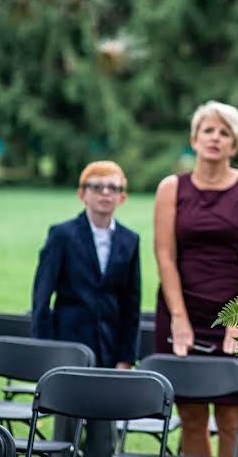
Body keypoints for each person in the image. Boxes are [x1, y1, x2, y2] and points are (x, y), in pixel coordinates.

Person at [153, 100, 238, 457]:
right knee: (190, 415)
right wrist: (178, 318)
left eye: (225, 133)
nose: (215, 138)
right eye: (208, 130)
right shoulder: (170, 188)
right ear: (194, 139)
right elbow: (165, 256)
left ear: (234, 146)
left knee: (231, 416)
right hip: (182, 311)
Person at [32, 160, 141, 457]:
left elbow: (132, 302)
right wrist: (46, 351)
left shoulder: (130, 241)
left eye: (113, 188)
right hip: (67, 346)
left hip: (109, 348)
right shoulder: (62, 235)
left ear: (123, 197)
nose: (105, 193)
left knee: (103, 432)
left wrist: (125, 356)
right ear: (83, 194)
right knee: (65, 431)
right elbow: (41, 299)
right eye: (97, 187)